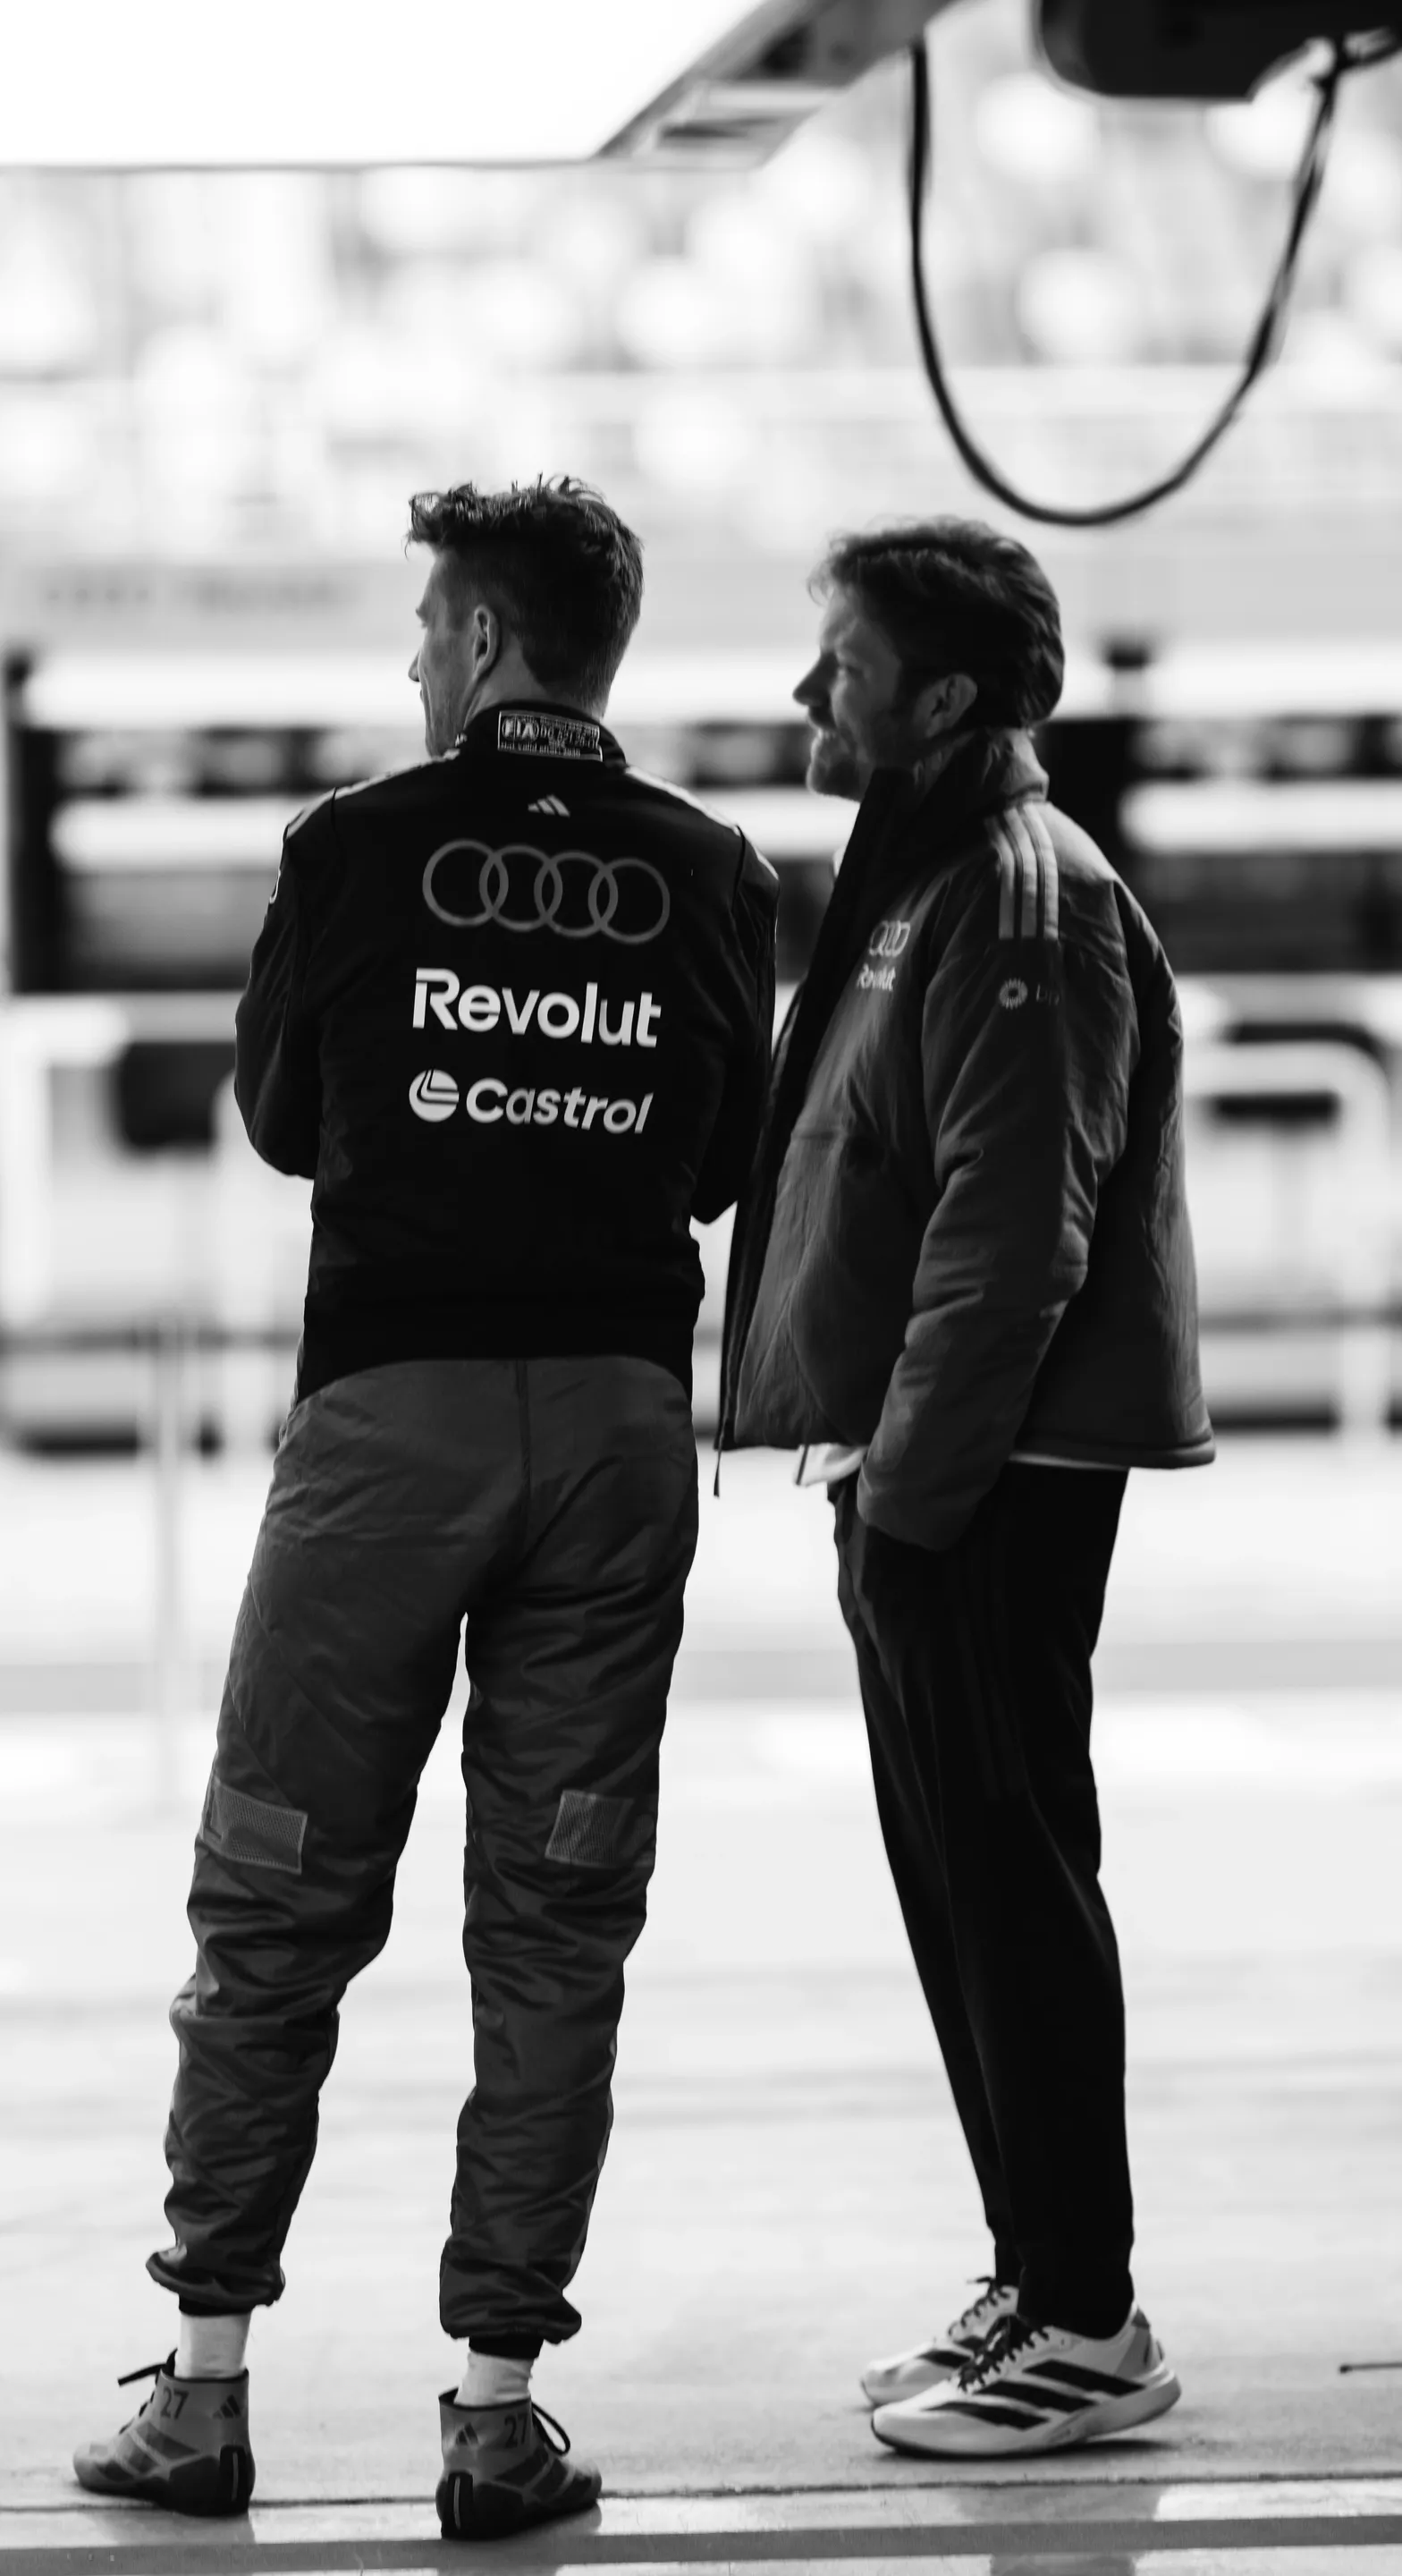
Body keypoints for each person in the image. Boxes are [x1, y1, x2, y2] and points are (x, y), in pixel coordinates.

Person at [75, 477, 778, 2526]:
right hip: (627, 1437)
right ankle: (492, 2412)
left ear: (479, 643)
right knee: (559, 1923)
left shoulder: (359, 845)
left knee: (279, 1897)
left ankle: (202, 2395)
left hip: (392, 1428)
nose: (409, 661)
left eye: (422, 630)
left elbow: (288, 1121)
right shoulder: (716, 868)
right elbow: (730, 1158)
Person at [717, 517, 1213, 2461]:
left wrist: (912, 1498)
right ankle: (1042, 2267)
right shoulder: (927, 879)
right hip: (932, 1468)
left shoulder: (1019, 901)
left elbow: (1013, 1242)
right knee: (961, 1889)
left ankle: (1088, 2321)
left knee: (1008, 1885)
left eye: (833, 662)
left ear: (936, 698)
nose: (801, 694)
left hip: (988, 1476)